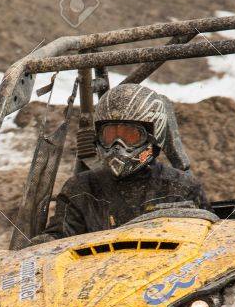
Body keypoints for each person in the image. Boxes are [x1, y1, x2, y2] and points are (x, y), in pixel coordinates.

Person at [41, 84, 208, 240]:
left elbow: (205, 241)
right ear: (98, 138)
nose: (117, 145)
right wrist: (44, 241)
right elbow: (57, 243)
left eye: (129, 136)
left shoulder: (181, 187)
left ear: (153, 137)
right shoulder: (80, 188)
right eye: (110, 136)